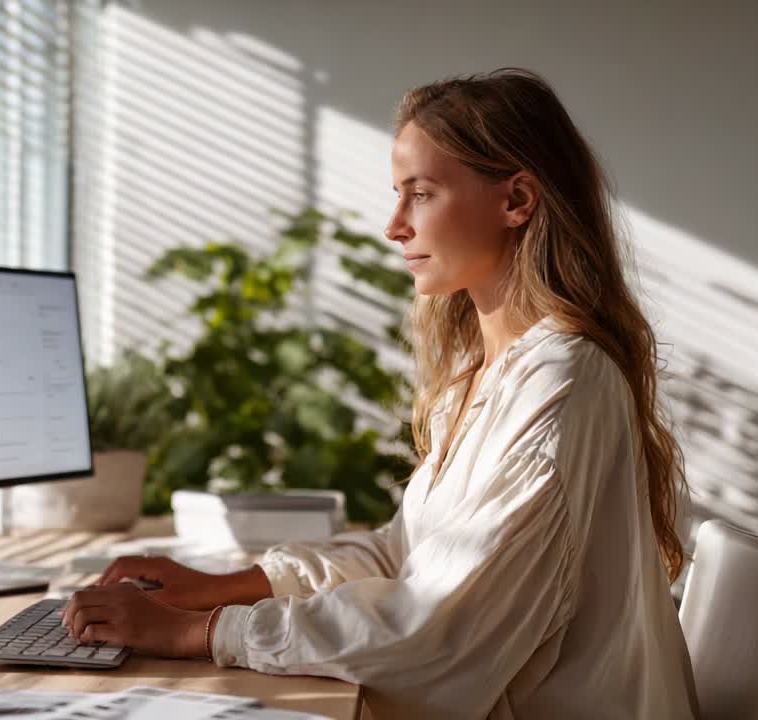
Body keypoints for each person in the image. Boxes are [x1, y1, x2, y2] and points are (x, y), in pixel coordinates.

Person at [61, 68, 700, 719]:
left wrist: (196, 633)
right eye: (398, 195)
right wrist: (217, 589)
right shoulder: (487, 373)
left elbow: (440, 629)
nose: (394, 226)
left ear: (517, 201)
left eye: (419, 194)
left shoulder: (561, 382)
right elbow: (404, 554)